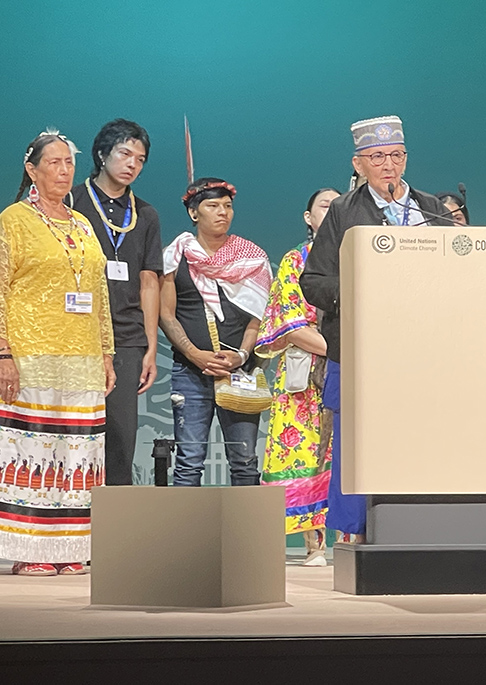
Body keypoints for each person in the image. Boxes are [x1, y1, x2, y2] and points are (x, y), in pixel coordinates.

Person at [0, 129, 116, 576]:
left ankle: (69, 547)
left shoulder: (82, 223)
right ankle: (29, 546)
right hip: (28, 356)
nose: (64, 171)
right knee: (33, 451)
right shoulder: (14, 220)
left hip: (80, 358)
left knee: (76, 453)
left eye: (69, 162)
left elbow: (99, 293)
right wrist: (2, 352)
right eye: (54, 162)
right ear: (32, 169)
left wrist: (105, 353)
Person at [301, 115, 452, 542]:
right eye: (377, 157)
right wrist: (363, 290)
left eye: (396, 156)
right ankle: (361, 532)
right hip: (361, 350)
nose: (389, 165)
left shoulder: (429, 209)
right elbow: (314, 281)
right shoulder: (344, 212)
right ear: (358, 163)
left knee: (421, 436)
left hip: (421, 350)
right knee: (361, 444)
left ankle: (421, 524)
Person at [160, 178, 272, 486]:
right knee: (188, 462)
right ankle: (187, 535)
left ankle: (246, 535)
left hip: (241, 372)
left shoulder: (252, 257)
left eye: (228, 206)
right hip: (190, 371)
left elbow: (258, 318)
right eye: (213, 206)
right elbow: (166, 314)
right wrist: (196, 355)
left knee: (245, 461)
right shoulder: (175, 255)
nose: (222, 212)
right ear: (194, 213)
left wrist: (240, 355)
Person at [70, 119, 162, 486]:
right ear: (102, 153)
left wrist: (151, 347)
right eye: (125, 154)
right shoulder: (71, 203)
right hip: (75, 336)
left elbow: (149, 281)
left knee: (121, 439)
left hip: (126, 339)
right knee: (73, 435)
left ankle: (116, 532)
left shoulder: (146, 214)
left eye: (140, 160)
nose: (132, 165)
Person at [256, 188, 340, 566]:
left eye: (338, 206)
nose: (332, 210)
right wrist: (339, 348)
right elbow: (288, 322)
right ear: (308, 218)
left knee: (347, 453)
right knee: (306, 449)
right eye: (324, 205)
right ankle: (314, 544)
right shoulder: (295, 261)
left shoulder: (356, 258)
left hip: (351, 370)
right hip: (305, 373)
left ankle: (356, 537)